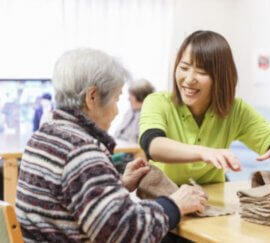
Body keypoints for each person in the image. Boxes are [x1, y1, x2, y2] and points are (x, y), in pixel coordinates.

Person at [15, 48, 207, 242]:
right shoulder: (80, 152)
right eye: (116, 99)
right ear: (92, 97)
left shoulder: (42, 137)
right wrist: (175, 204)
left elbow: (74, 200)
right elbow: (126, 233)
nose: (116, 111)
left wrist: (119, 184)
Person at [139, 30, 270, 186]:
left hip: (212, 198)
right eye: (183, 68)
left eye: (202, 72)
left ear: (220, 77)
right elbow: (153, 145)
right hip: (165, 197)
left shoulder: (235, 109)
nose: (189, 79)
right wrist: (204, 152)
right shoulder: (157, 101)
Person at [114, 79, 155, 143]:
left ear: (139, 96)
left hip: (131, 151)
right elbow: (117, 134)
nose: (128, 99)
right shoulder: (130, 112)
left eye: (131, 96)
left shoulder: (150, 116)